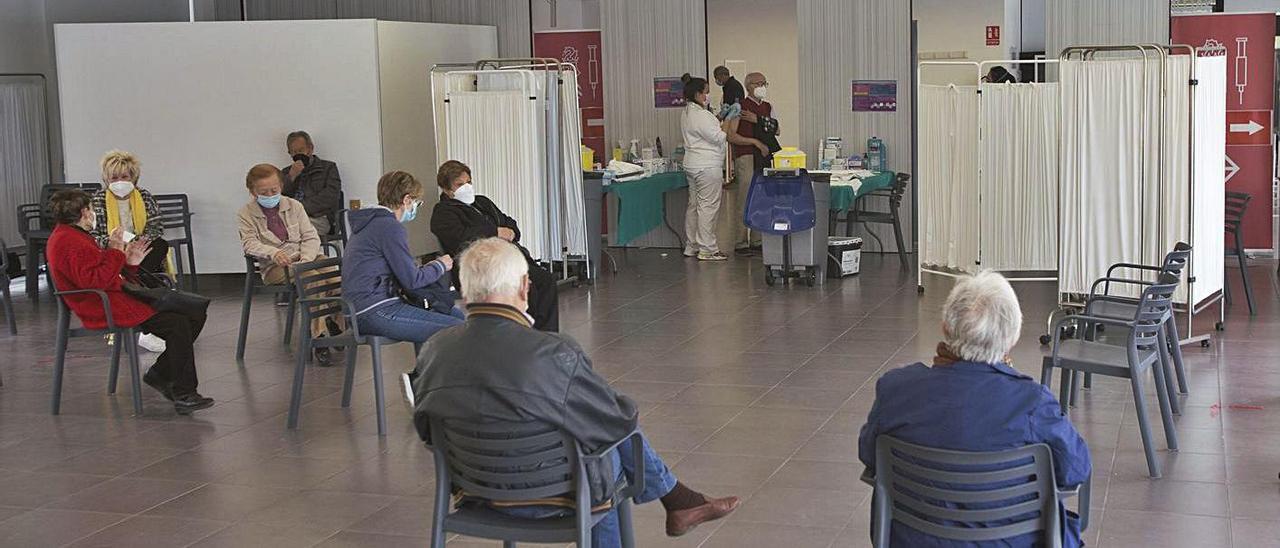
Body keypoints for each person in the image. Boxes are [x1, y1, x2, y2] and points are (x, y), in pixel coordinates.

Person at [412, 237, 740, 546]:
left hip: (474, 494)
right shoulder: (552, 352)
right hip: (553, 495)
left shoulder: (434, 350)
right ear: (525, 287)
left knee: (598, 433)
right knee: (606, 448)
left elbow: (427, 431)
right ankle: (677, 499)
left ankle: (679, 501)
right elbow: (617, 421)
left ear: (465, 291)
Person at [858, 271, 1091, 548]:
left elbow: (869, 454)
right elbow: (1076, 469)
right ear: (1012, 338)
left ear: (945, 327)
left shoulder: (896, 390)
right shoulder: (1032, 403)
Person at [45, 189, 213, 415]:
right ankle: (182, 392)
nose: (93, 214)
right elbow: (96, 281)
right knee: (178, 323)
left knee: (194, 313)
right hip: (102, 304)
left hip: (114, 298)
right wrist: (116, 252)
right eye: (92, 210)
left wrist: (130, 262)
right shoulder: (68, 240)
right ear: (84, 212)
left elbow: (106, 273)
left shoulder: (73, 235)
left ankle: (162, 375)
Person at [342, 170, 464, 405]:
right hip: (374, 310)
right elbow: (412, 279)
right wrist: (440, 265)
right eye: (416, 202)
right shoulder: (389, 227)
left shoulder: (371, 223)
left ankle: (427, 387)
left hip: (365, 306)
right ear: (406, 200)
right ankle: (425, 386)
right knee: (458, 328)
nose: (415, 208)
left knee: (451, 314)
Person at [430, 160, 559, 332]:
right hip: (482, 266)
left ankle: (546, 335)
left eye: (468, 182)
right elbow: (461, 240)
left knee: (545, 280)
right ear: (446, 189)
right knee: (531, 286)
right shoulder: (443, 213)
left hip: (509, 258)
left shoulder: (482, 202)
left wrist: (511, 232)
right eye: (460, 184)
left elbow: (508, 222)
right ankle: (529, 334)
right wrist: (495, 232)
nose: (466, 187)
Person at [238, 163, 345, 366]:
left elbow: (311, 236)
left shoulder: (294, 205)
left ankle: (333, 320)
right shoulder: (245, 213)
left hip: (305, 258)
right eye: (263, 192)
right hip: (275, 266)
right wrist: (273, 252)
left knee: (334, 276)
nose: (270, 195)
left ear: (281, 186)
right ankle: (319, 337)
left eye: (274, 190)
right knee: (311, 280)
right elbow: (249, 243)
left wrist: (305, 259)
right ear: (252, 192)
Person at [89, 150, 169, 352]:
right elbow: (93, 234)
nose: (120, 181)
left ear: (133, 177)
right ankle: (140, 309)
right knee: (139, 273)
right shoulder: (97, 199)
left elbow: (156, 227)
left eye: (124, 177)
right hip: (112, 248)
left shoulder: (144, 196)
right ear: (106, 179)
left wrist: (137, 242)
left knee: (160, 245)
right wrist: (116, 242)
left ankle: (132, 288)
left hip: (139, 248)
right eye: (114, 177)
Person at [679, 76, 732, 261]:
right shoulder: (700, 115)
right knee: (708, 207)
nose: (708, 95)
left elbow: (705, 130)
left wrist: (720, 118)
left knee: (694, 206)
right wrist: (729, 120)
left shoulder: (688, 112)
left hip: (693, 165)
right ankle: (708, 249)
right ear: (697, 94)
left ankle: (692, 245)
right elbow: (718, 137)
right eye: (706, 92)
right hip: (706, 166)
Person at [726, 72, 776, 255]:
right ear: (748, 86)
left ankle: (757, 239)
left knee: (762, 199)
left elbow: (777, 129)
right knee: (745, 197)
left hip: (764, 158)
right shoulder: (740, 107)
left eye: (765, 83)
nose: (762, 87)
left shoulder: (768, 107)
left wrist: (760, 121)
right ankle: (740, 241)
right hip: (746, 156)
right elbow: (731, 135)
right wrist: (754, 142)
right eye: (758, 83)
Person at [280, 130, 343, 236]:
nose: (298, 154)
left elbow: (330, 197)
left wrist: (299, 209)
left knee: (292, 230)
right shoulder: (286, 172)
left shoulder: (328, 168)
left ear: (310, 148)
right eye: (294, 152)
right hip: (291, 219)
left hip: (319, 218)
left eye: (301, 150)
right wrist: (291, 177)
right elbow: (279, 197)